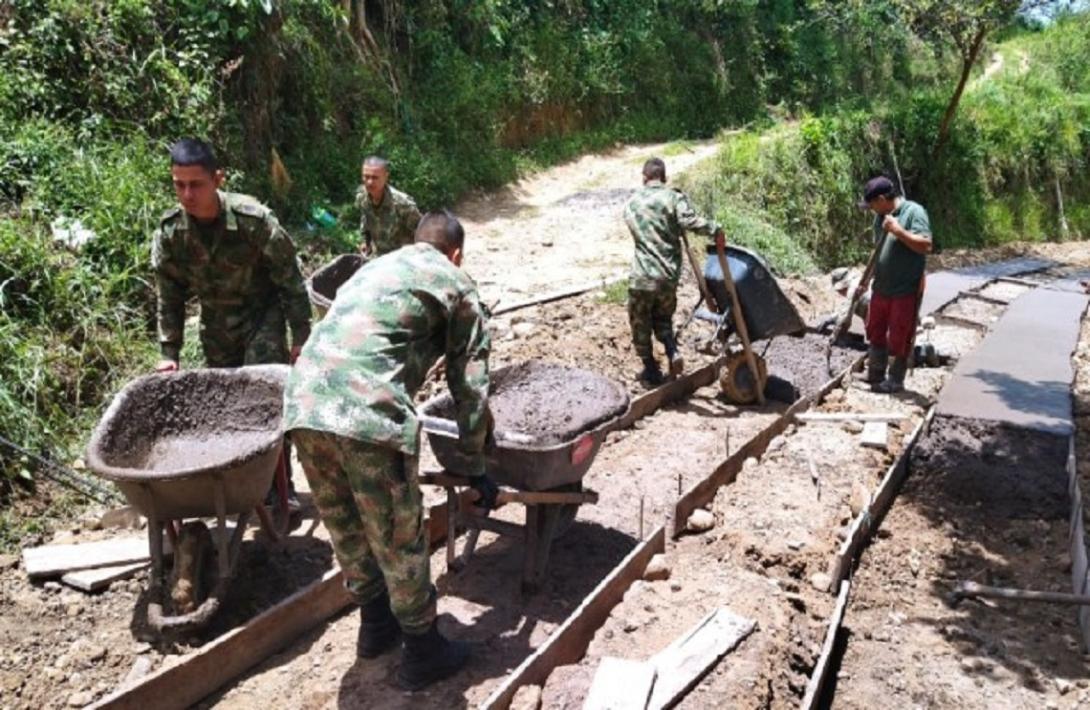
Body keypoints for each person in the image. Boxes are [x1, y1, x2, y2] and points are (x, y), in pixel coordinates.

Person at [283, 211, 496, 691]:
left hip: (303, 403)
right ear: (456, 253)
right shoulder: (457, 283)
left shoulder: (376, 267)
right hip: (367, 413)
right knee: (399, 533)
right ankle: (422, 649)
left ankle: (376, 627)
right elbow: (472, 386)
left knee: (346, 523)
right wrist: (477, 463)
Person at [151, 138, 311, 507]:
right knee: (227, 406)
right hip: (216, 323)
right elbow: (169, 296)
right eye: (179, 185)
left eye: (196, 184)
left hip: (262, 316)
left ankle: (279, 488)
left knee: (263, 398)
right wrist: (168, 352)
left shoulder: (253, 220)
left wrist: (302, 335)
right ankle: (243, 486)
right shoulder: (172, 232)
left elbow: (290, 278)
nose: (187, 194)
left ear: (218, 179)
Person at [623, 157, 725, 386]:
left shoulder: (632, 203)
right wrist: (714, 229)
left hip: (641, 276)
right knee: (663, 317)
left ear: (644, 177)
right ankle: (671, 350)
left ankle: (650, 369)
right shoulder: (673, 198)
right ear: (664, 177)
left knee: (640, 322)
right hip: (667, 276)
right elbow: (689, 221)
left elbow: (632, 224)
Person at [855, 176, 932, 393]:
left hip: (904, 288)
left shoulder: (913, 212)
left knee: (900, 334)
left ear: (881, 199)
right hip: (881, 287)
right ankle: (875, 374)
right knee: (875, 330)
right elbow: (877, 252)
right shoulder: (880, 217)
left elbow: (926, 245)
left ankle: (896, 380)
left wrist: (899, 231)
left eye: (871, 204)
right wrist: (865, 279)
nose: (870, 209)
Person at [356, 155, 423, 257]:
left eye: (375, 178)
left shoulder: (402, 204)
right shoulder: (362, 197)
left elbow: (422, 233)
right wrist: (366, 242)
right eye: (366, 176)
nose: (369, 182)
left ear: (385, 176)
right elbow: (365, 222)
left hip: (403, 259)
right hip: (378, 257)